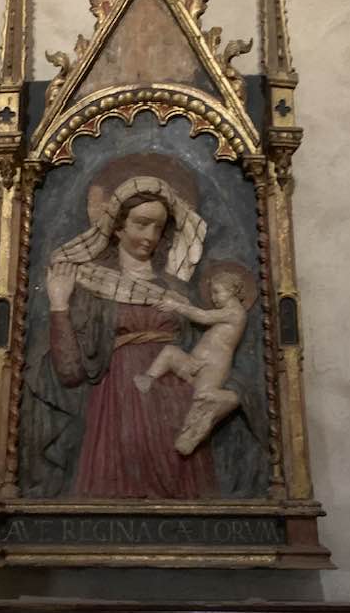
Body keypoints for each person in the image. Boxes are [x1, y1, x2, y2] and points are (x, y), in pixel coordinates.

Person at [36, 175, 219, 499]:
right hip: (118, 402)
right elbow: (69, 372)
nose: (150, 236)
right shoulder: (90, 285)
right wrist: (59, 305)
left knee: (184, 493)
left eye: (158, 227)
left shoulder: (176, 289)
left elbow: (206, 349)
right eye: (141, 224)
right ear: (117, 226)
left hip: (176, 402)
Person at [134, 270, 250, 456]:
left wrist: (176, 306)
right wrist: (181, 302)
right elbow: (201, 314)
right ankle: (148, 378)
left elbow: (203, 317)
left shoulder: (236, 313)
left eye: (217, 292)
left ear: (232, 290)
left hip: (213, 367)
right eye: (211, 293)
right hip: (193, 362)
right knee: (170, 353)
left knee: (201, 400)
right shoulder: (222, 312)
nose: (213, 298)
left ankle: (192, 435)